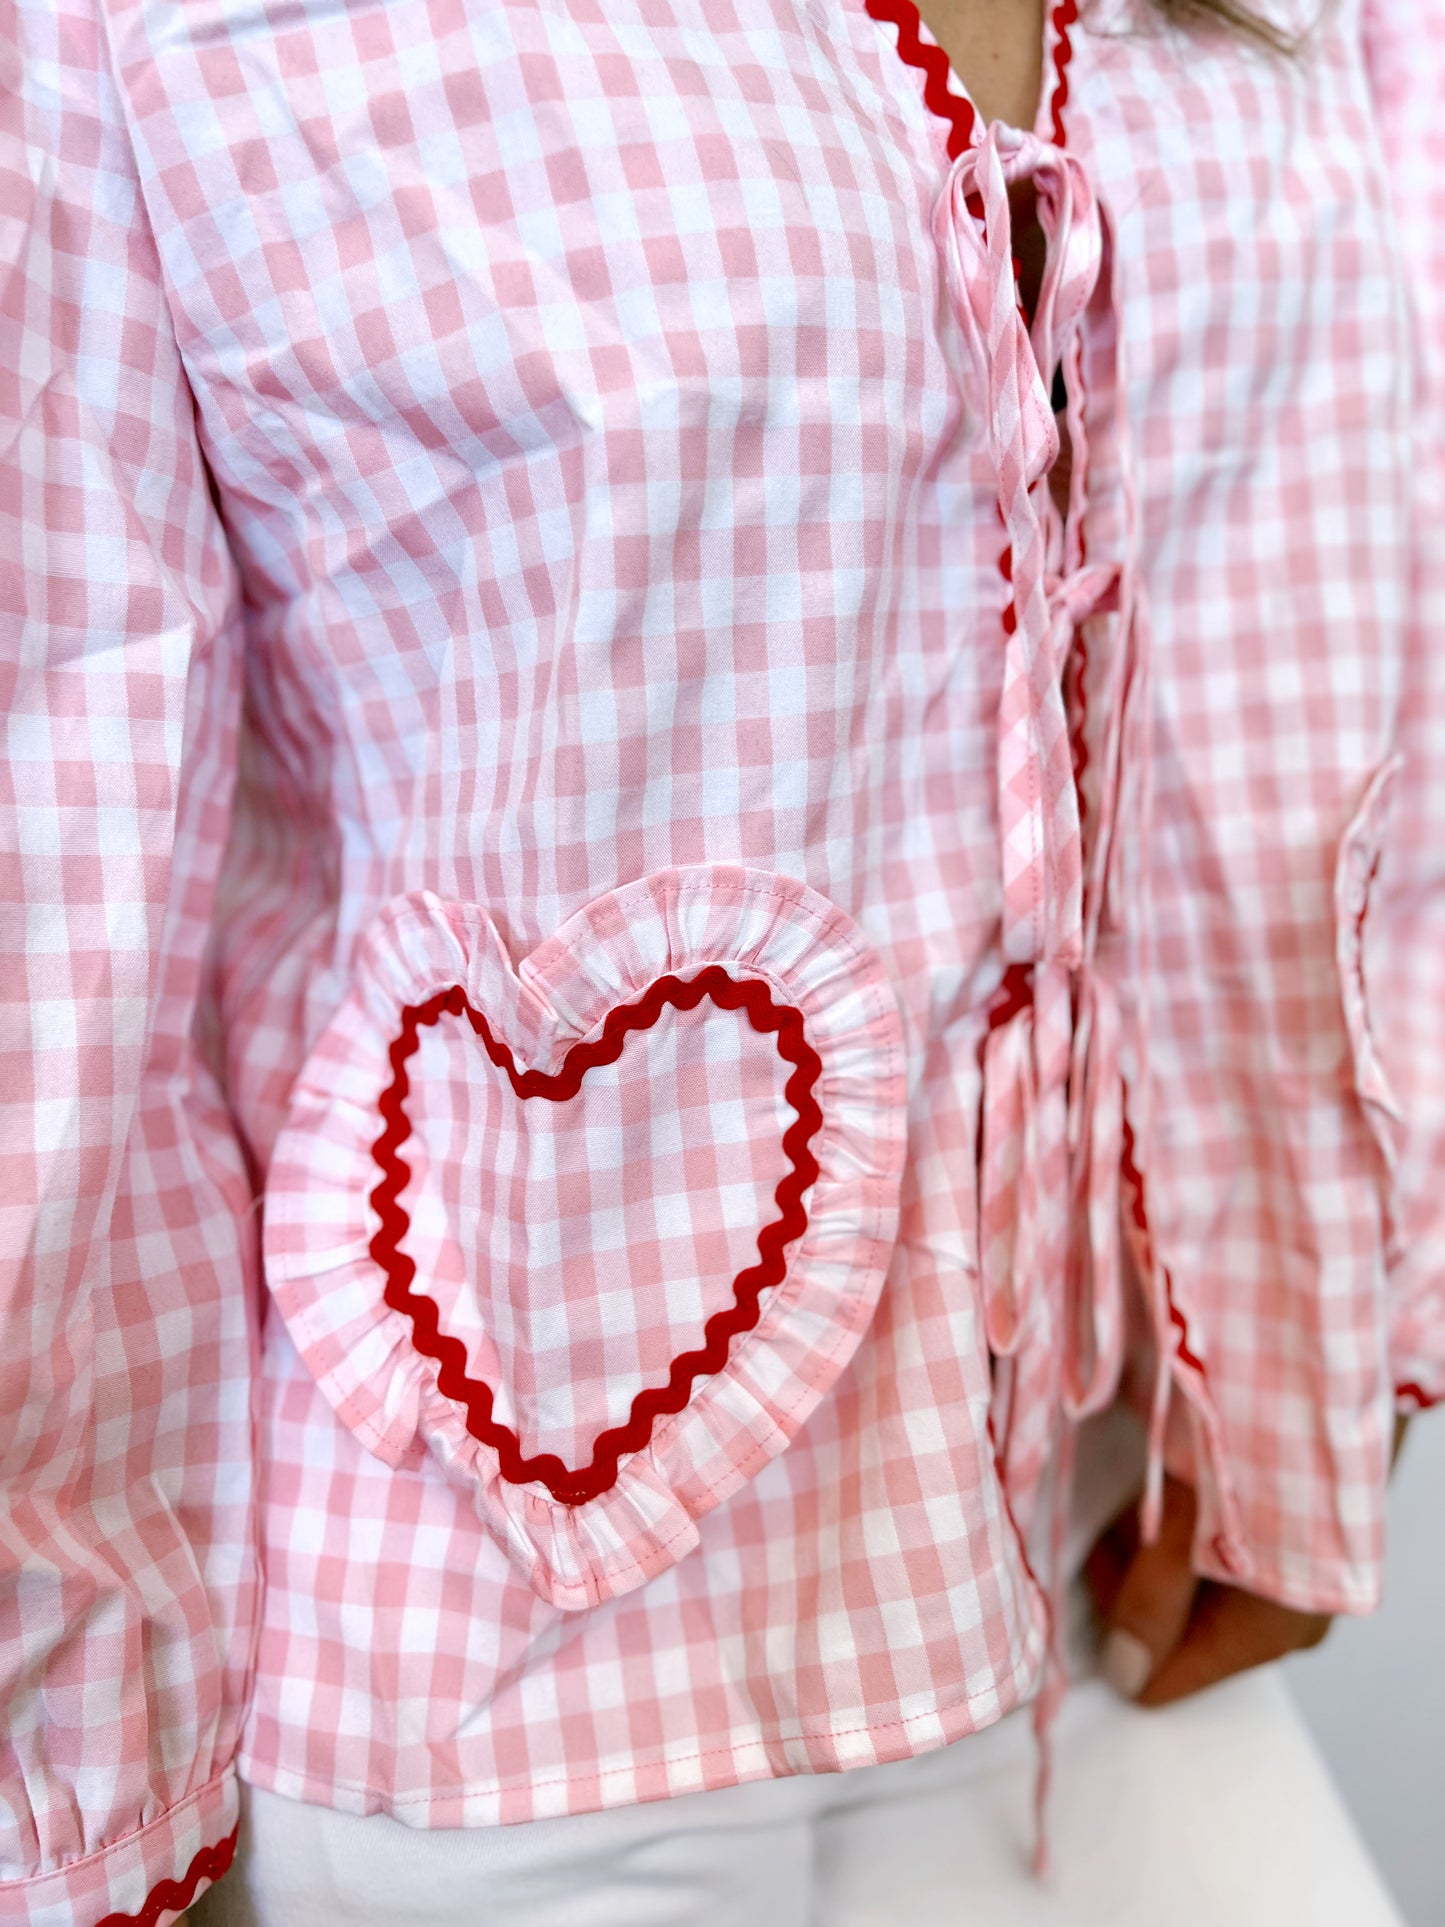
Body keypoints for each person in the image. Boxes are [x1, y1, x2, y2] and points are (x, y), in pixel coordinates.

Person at [2, 0, 1441, 1917]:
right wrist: (90, 1782)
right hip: (526, 1698)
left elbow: (1398, 565)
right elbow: (56, 856)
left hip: (1093, 1554)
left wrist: (1325, 1336)